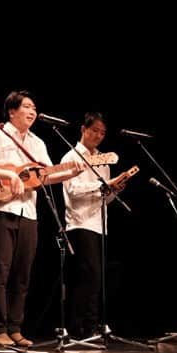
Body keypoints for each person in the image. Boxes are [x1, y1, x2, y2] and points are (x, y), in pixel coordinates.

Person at [0, 90, 82, 347]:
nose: (33, 111)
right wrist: (10, 175)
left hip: (28, 213)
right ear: (12, 111)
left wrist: (70, 173)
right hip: (0, 209)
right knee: (0, 271)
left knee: (22, 274)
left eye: (34, 107)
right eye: (27, 106)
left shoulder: (37, 142)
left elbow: (45, 175)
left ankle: (15, 327)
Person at [61, 112, 124, 339]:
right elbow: (73, 191)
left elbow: (102, 198)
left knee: (97, 278)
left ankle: (92, 325)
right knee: (89, 276)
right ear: (83, 129)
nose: (99, 135)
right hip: (79, 223)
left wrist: (113, 191)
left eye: (103, 133)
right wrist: (102, 186)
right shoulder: (71, 156)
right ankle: (81, 327)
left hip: (99, 224)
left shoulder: (103, 160)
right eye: (95, 130)